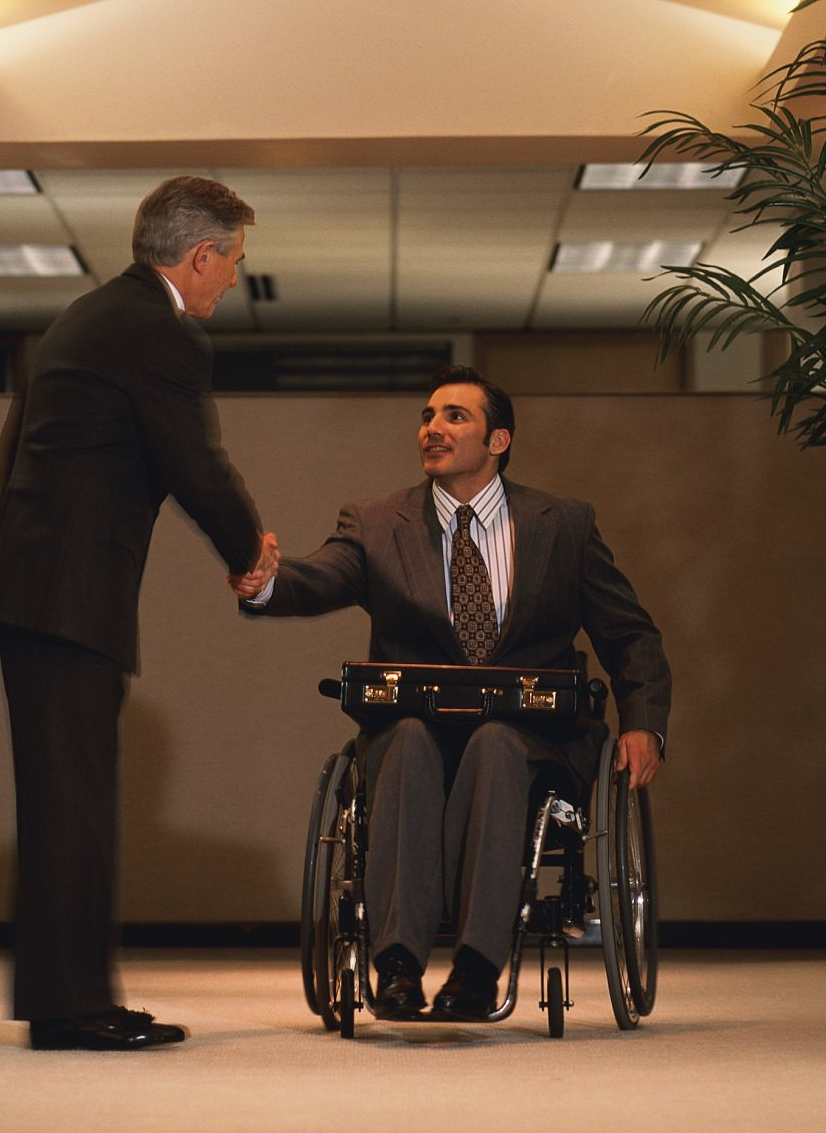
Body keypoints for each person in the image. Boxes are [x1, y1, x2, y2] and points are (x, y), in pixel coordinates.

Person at [0, 175, 279, 1051]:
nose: (231, 281)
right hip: (67, 599)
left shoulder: (85, 315)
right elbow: (195, 464)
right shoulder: (158, 332)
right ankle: (69, 1009)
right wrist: (252, 553)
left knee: (67, 803)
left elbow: (12, 453)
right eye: (233, 263)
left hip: (38, 588)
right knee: (74, 806)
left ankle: (71, 997)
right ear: (201, 254)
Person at [236, 365, 670, 1022]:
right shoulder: (377, 522)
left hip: (534, 741)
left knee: (496, 745)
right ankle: (398, 966)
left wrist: (644, 722)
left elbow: (630, 632)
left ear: (499, 440)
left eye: (454, 416)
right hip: (413, 731)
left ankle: (475, 969)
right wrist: (269, 582)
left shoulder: (564, 525)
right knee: (406, 742)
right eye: (427, 415)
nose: (433, 428)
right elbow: (321, 576)